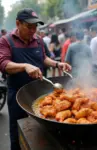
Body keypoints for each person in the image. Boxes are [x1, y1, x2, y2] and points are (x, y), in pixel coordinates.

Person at [0, 8, 71, 150]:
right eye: (29, 26)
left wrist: (57, 63)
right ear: (18, 23)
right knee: (17, 129)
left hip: (40, 91)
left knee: (41, 129)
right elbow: (3, 64)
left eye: (35, 26)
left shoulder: (38, 40)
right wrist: (25, 66)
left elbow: (43, 58)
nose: (33, 30)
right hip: (18, 95)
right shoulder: (6, 40)